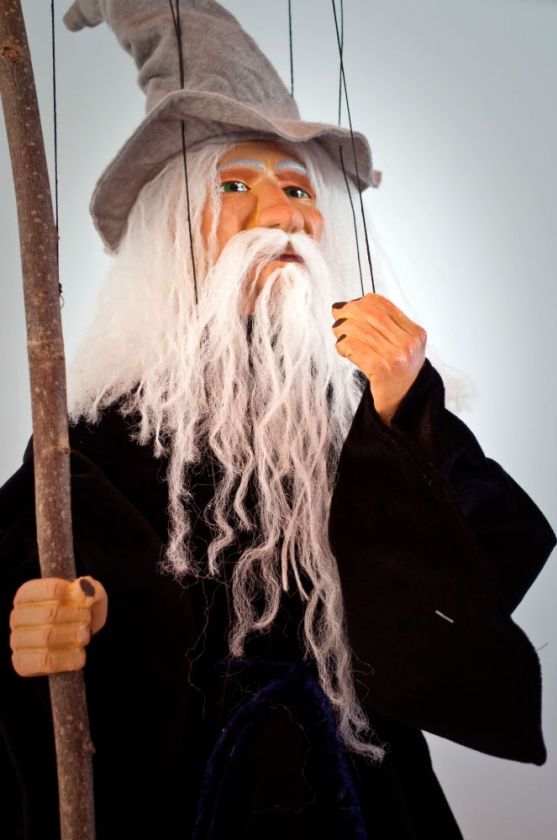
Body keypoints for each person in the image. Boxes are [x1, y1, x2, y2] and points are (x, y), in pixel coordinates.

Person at [1, 2, 555, 838]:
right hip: (186, 793)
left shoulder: (357, 412)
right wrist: (38, 620)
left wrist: (404, 415)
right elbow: (37, 573)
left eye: (297, 188)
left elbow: (474, 584)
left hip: (362, 787)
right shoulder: (107, 431)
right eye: (235, 186)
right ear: (171, 228)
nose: (282, 214)